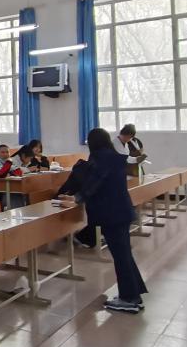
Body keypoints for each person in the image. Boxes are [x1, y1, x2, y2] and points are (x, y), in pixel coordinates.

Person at [61, 128, 147, 313]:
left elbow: (95, 183)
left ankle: (129, 299)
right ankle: (134, 295)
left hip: (111, 214)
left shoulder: (101, 158)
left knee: (121, 257)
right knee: (124, 255)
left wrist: (77, 198)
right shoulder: (115, 157)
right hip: (122, 211)